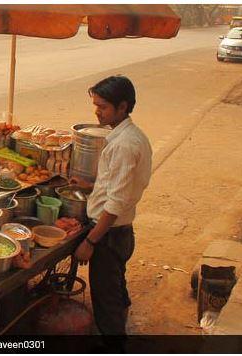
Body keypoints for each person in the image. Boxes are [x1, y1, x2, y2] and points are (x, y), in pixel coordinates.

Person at [70, 75, 152, 336]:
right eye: (96, 105)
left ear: (123, 107)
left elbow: (115, 203)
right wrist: (88, 187)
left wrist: (90, 242)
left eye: (103, 106)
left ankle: (113, 343)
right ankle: (119, 324)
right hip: (121, 233)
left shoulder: (126, 145)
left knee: (106, 301)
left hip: (109, 235)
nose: (97, 112)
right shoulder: (130, 135)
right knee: (117, 287)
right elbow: (117, 187)